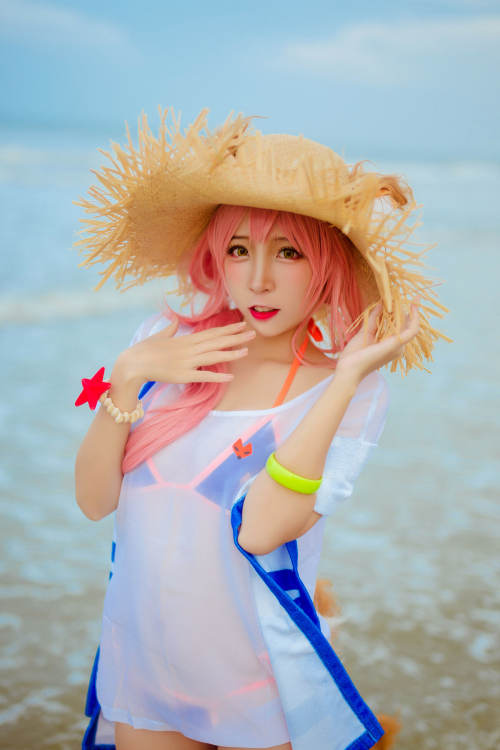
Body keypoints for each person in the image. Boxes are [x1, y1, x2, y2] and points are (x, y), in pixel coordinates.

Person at [73, 107, 449, 750]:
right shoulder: (161, 345)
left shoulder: (351, 391)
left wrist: (345, 378)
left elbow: (262, 529)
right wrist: (128, 375)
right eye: (239, 249)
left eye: (288, 252)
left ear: (327, 262)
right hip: (146, 669)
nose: (258, 279)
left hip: (259, 685)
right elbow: (92, 500)